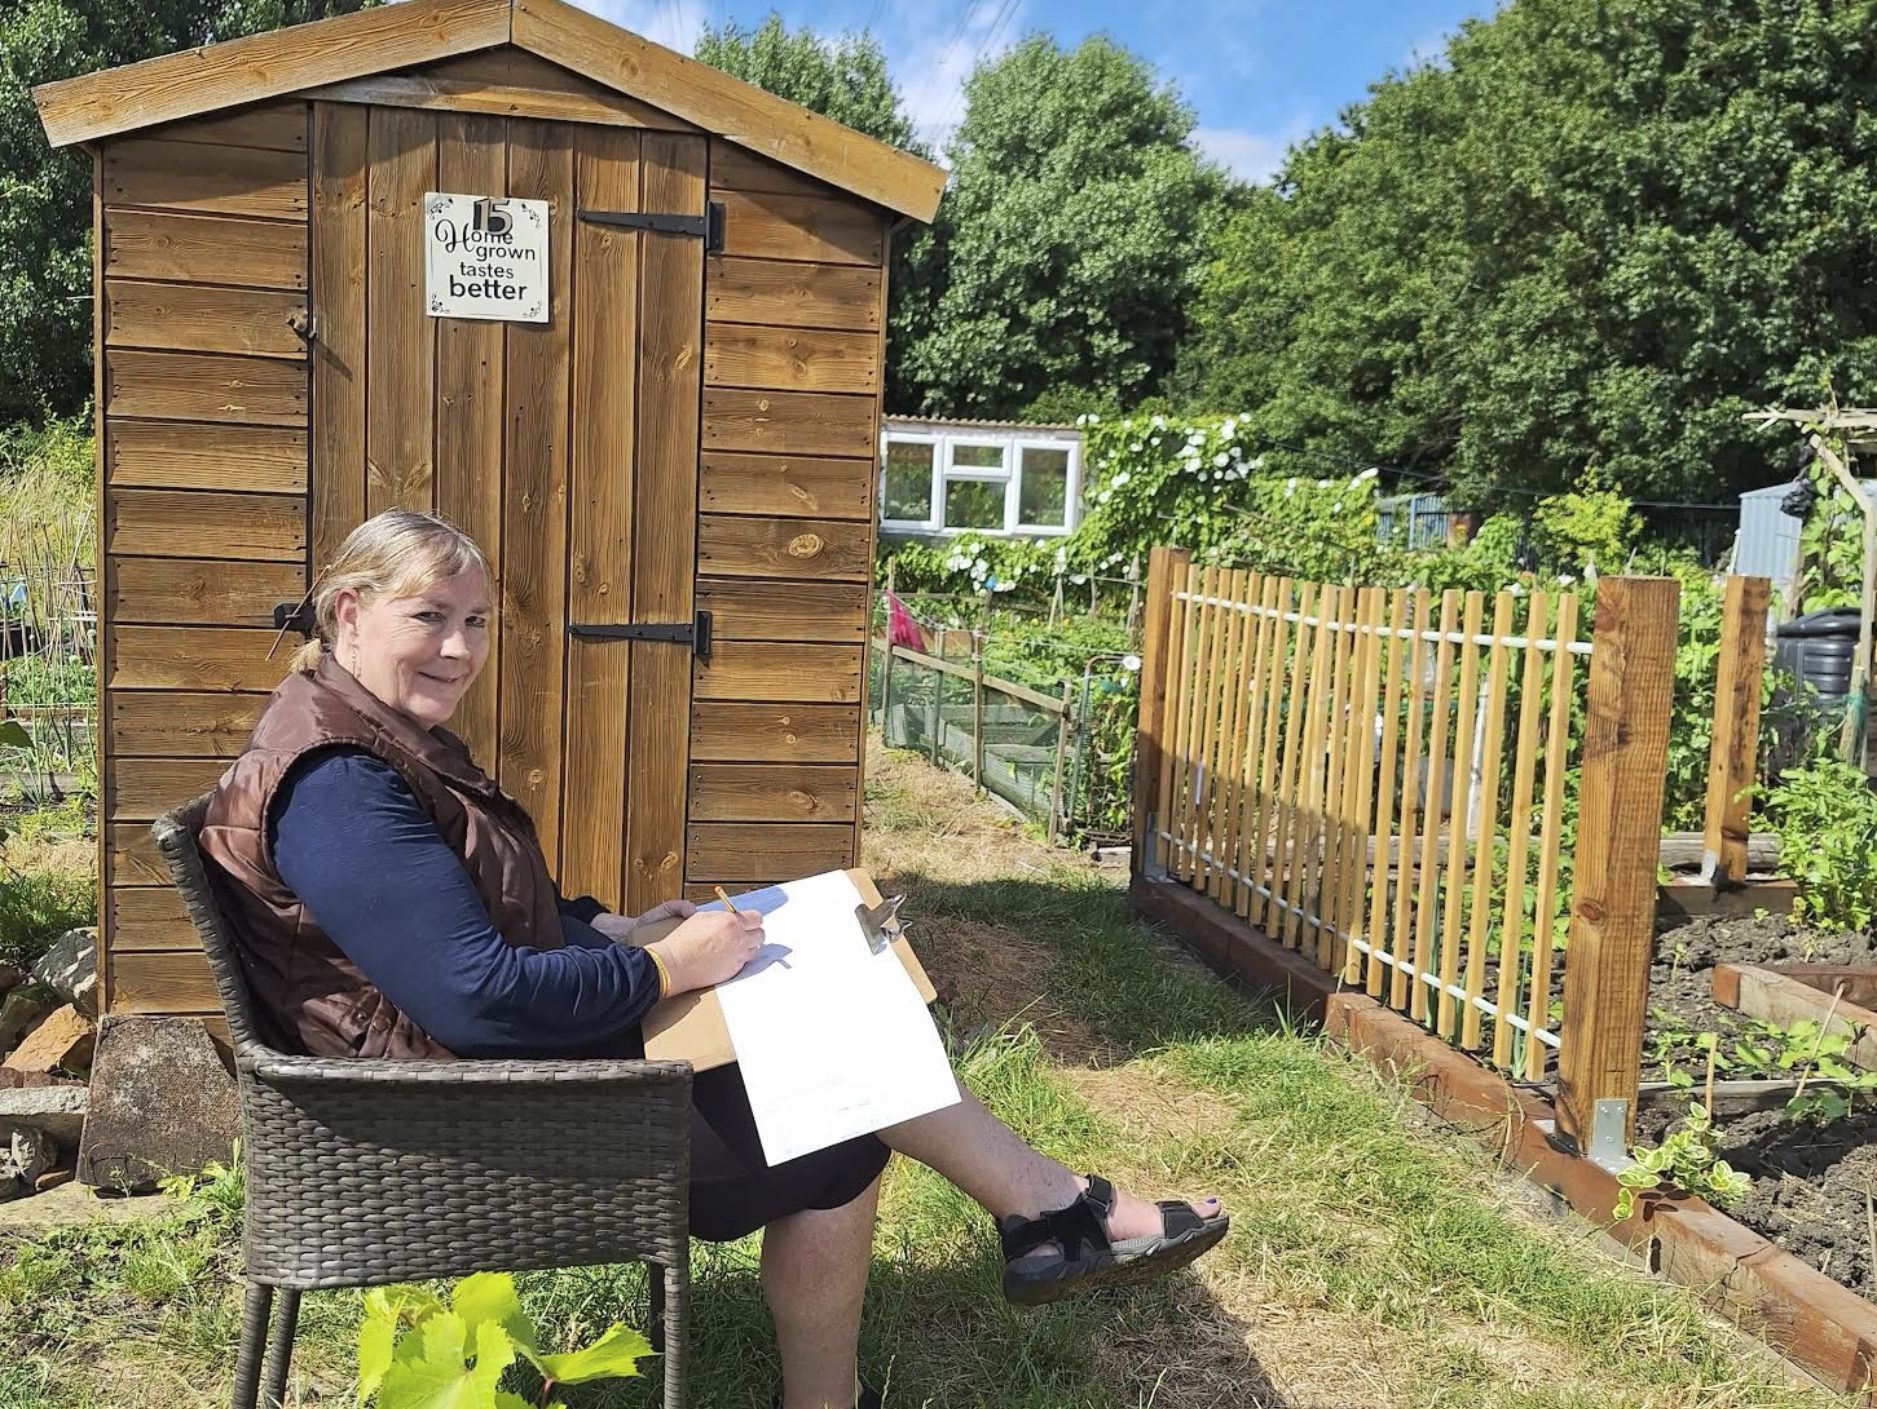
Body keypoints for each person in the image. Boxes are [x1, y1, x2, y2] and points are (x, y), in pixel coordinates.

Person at [200, 509, 1228, 1409]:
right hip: (455, 1117)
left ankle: (1047, 1211)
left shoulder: (362, 727)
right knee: (843, 1119)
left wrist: (612, 928)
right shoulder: (338, 779)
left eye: (473, 623)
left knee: (832, 995)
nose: (459, 650)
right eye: (428, 617)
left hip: (482, 1070)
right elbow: (474, 999)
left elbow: (465, 915)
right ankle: (1042, 1219)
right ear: (345, 611)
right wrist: (670, 966)